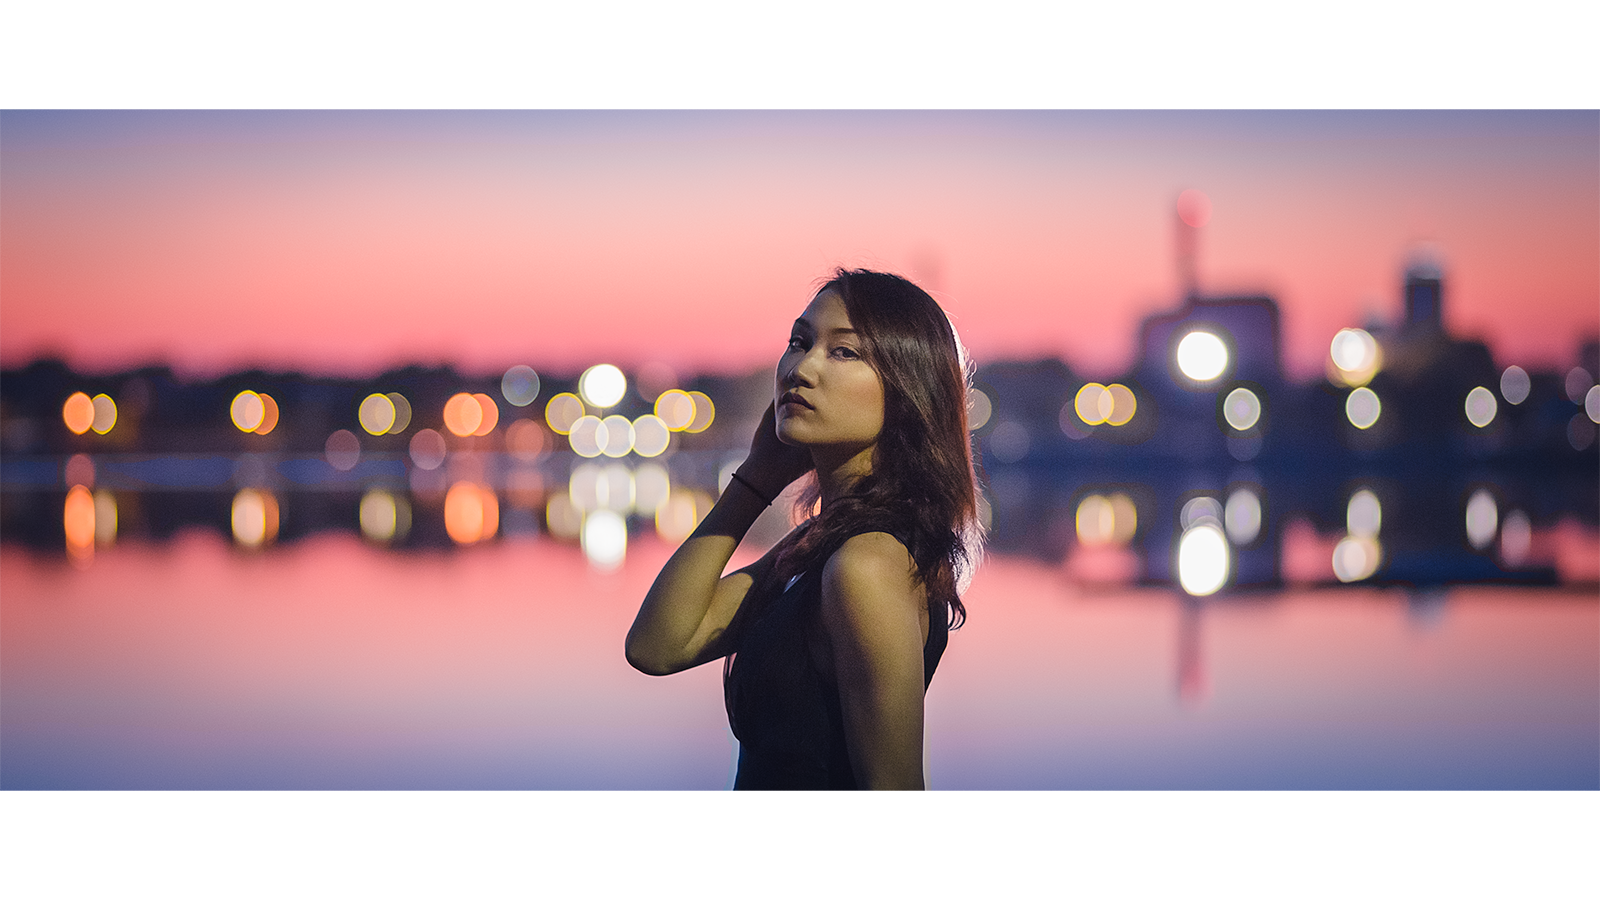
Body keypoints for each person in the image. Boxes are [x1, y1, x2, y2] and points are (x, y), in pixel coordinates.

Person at [625, 269, 981, 792]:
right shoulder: (821, 545)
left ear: (907, 391)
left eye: (844, 352)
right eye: (799, 342)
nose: (801, 368)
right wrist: (755, 479)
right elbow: (658, 646)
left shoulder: (866, 564)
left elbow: (894, 797)